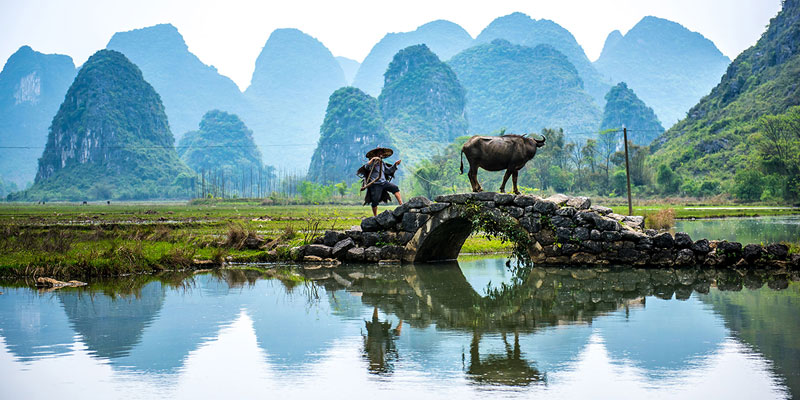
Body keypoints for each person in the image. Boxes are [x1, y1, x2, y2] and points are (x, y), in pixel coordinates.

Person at [358, 147, 403, 216]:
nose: (380, 154)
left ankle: (401, 204)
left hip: (384, 182)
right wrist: (373, 159)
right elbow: (366, 167)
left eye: (381, 153)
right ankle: (375, 216)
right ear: (376, 154)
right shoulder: (372, 162)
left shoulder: (382, 163)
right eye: (379, 153)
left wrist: (395, 164)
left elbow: (388, 171)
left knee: (395, 188)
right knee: (375, 200)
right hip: (375, 184)